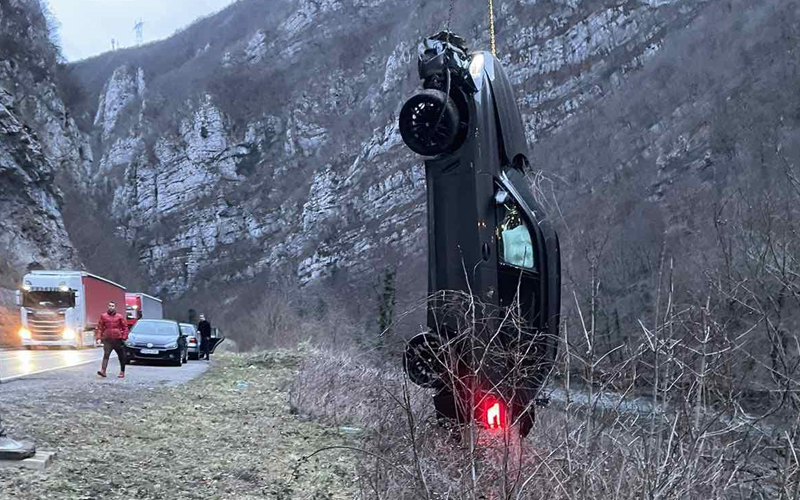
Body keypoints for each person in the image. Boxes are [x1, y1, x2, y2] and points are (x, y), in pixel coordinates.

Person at [95, 301, 128, 378]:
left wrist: (124, 337)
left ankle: (122, 372)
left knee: (121, 356)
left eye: (112, 306)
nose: (111, 307)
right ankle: (103, 371)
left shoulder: (119, 316)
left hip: (118, 339)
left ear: (115, 307)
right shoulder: (103, 316)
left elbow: (125, 327)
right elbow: (100, 328)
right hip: (108, 339)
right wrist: (99, 338)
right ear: (108, 306)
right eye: (110, 305)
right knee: (106, 355)